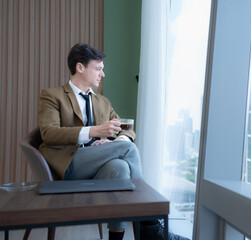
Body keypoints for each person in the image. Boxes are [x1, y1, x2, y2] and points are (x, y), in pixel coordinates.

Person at [38, 43, 189, 240]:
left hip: (98, 167)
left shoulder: (103, 102)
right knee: (128, 149)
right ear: (80, 67)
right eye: (99, 69)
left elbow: (127, 129)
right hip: (69, 165)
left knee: (120, 168)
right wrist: (94, 131)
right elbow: (49, 133)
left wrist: (116, 141)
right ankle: (149, 226)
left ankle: (117, 237)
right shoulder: (53, 96)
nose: (103, 74)